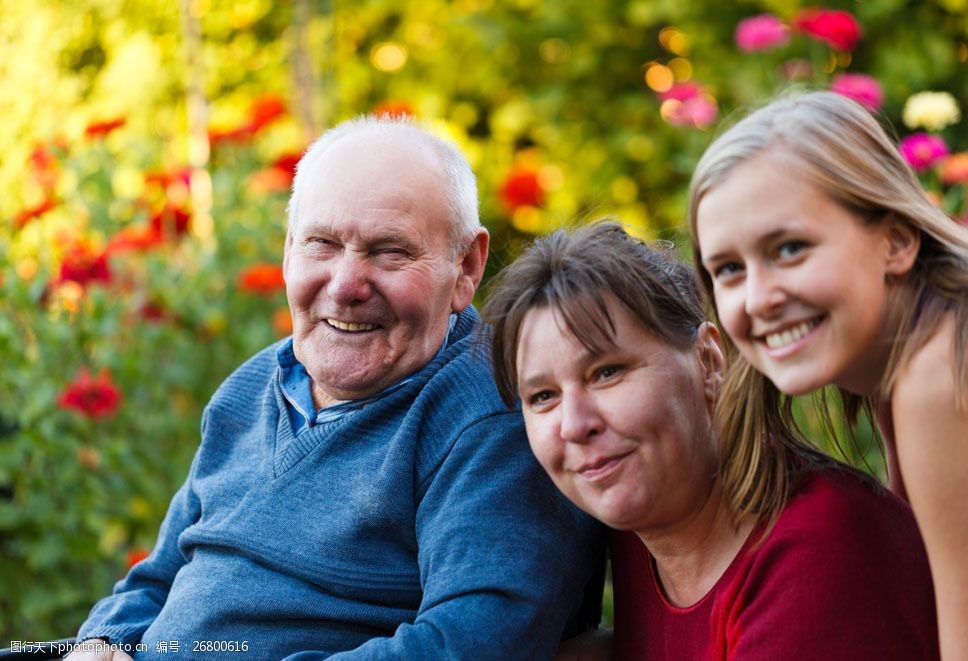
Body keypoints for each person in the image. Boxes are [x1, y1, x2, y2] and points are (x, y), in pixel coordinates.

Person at [66, 116, 603, 660]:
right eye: (322, 243)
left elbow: (474, 642)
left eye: (390, 251)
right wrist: (100, 643)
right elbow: (158, 578)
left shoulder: (488, 412)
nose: (345, 286)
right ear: (287, 251)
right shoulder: (250, 388)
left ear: (465, 267)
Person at [482, 221, 938, 660]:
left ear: (708, 359)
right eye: (543, 397)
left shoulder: (815, 555)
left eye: (607, 372)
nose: (575, 424)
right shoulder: (644, 517)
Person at [688, 90, 968, 660]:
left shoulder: (949, 368)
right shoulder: (901, 362)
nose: (758, 299)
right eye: (729, 269)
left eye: (789, 248)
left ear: (896, 241)